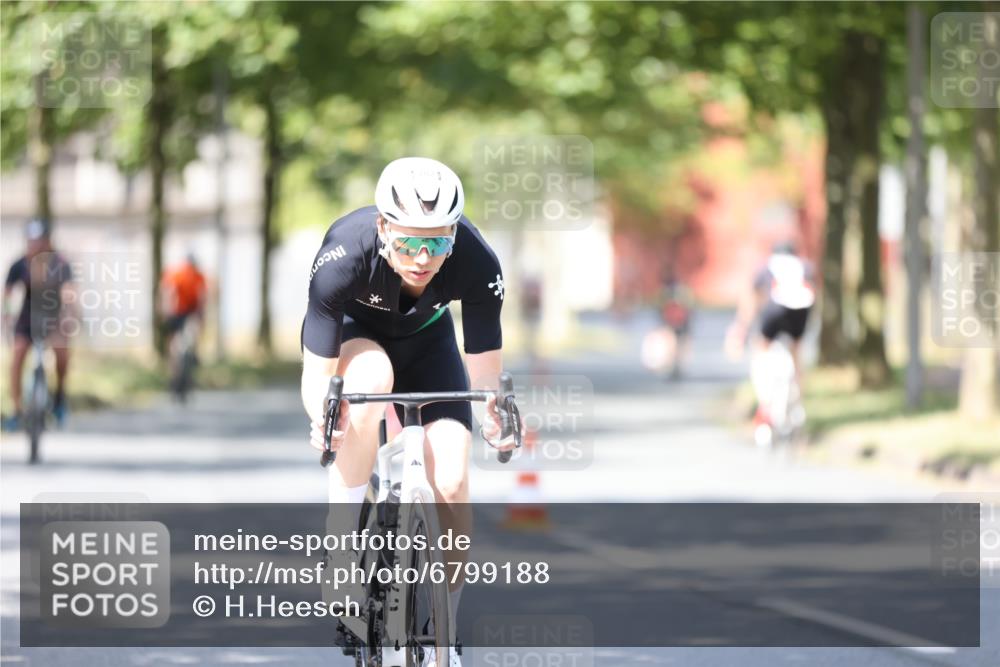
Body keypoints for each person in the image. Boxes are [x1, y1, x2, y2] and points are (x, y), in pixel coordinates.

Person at [300, 157, 514, 667]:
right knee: (369, 382)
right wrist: (326, 423)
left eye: (437, 242)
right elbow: (319, 376)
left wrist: (493, 418)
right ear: (382, 228)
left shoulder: (478, 262)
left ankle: (446, 628)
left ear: (453, 239)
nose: (421, 256)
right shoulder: (343, 255)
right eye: (407, 241)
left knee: (455, 480)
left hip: (427, 343)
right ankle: (344, 526)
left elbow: (484, 377)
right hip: (356, 339)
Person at [725, 240, 816, 430]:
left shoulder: (766, 267)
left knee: (761, 349)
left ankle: (765, 402)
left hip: (774, 309)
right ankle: (797, 400)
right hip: (801, 310)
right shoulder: (805, 266)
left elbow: (751, 301)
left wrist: (740, 330)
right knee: (796, 353)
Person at [3, 219, 75, 429]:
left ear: (47, 242)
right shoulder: (19, 265)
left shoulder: (60, 263)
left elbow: (69, 290)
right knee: (17, 357)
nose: (34, 245)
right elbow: (7, 295)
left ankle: (60, 398)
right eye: (30, 241)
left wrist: (70, 313)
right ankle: (16, 411)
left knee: (62, 354)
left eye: (38, 241)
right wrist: (6, 316)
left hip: (53, 317)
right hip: (27, 319)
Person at [159, 252, 207, 378]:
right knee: (192, 334)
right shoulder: (197, 275)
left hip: (176, 312)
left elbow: (167, 292)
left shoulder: (175, 273)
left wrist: (165, 312)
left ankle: (172, 365)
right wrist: (202, 317)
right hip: (187, 312)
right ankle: (193, 354)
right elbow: (202, 298)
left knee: (173, 342)